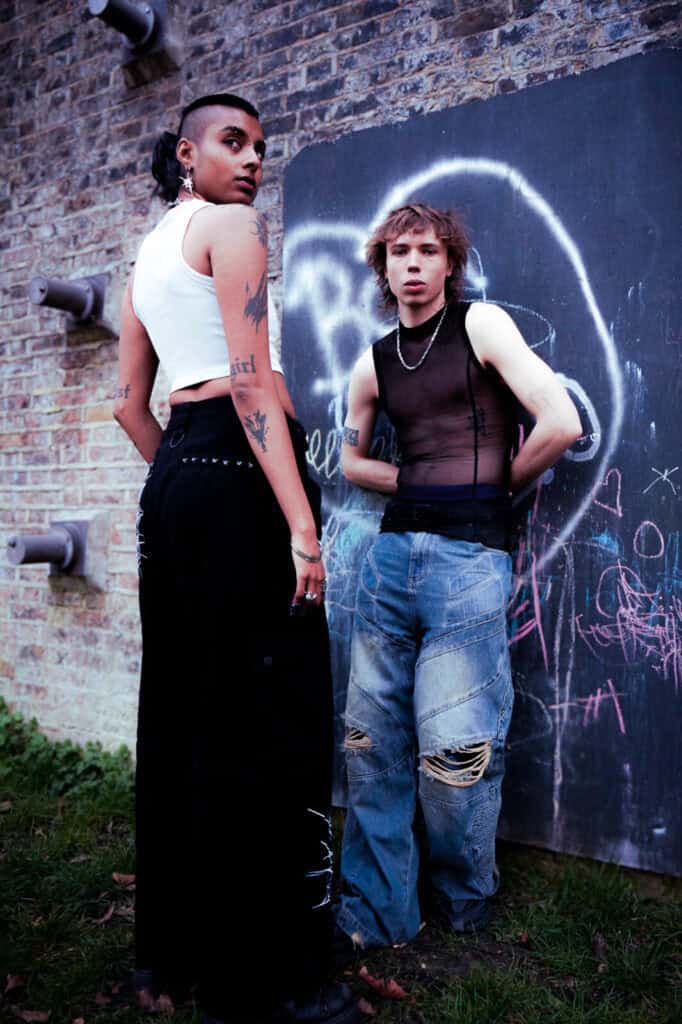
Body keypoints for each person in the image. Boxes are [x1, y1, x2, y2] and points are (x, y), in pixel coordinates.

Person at [114, 93, 360, 1024]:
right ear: (187, 154)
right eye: (233, 142)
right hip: (241, 469)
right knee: (269, 720)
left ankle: (172, 957)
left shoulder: (148, 254)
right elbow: (252, 383)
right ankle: (267, 982)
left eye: (261, 146)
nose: (254, 159)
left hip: (178, 476)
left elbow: (129, 404)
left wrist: (190, 489)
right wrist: (298, 524)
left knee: (181, 714)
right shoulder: (233, 226)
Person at [335, 203, 582, 950]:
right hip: (389, 564)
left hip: (468, 562)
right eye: (398, 252)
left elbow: (561, 422)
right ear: (383, 269)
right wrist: (414, 482)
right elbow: (349, 460)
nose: (412, 263)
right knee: (371, 745)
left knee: (455, 752)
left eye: (426, 251)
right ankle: (379, 911)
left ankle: (462, 901)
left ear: (450, 263)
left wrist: (494, 486)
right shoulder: (372, 361)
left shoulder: (482, 326)